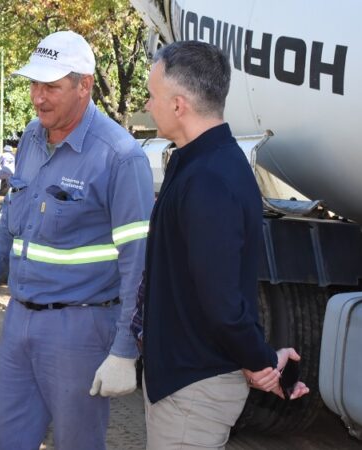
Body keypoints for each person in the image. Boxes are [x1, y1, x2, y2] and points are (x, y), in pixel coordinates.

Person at [0, 30, 154, 449]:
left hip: (81, 331)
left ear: (84, 85)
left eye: (51, 87)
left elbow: (139, 265)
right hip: (20, 321)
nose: (38, 97)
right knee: (2, 440)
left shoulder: (119, 157)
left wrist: (125, 349)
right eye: (34, 84)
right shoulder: (32, 138)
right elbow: (13, 217)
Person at [140, 40, 309, 449]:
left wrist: (261, 361)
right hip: (186, 383)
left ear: (178, 105)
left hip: (191, 392)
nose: (147, 105)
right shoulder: (199, 164)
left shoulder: (209, 178)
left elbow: (222, 302)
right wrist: (259, 361)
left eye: (152, 95)